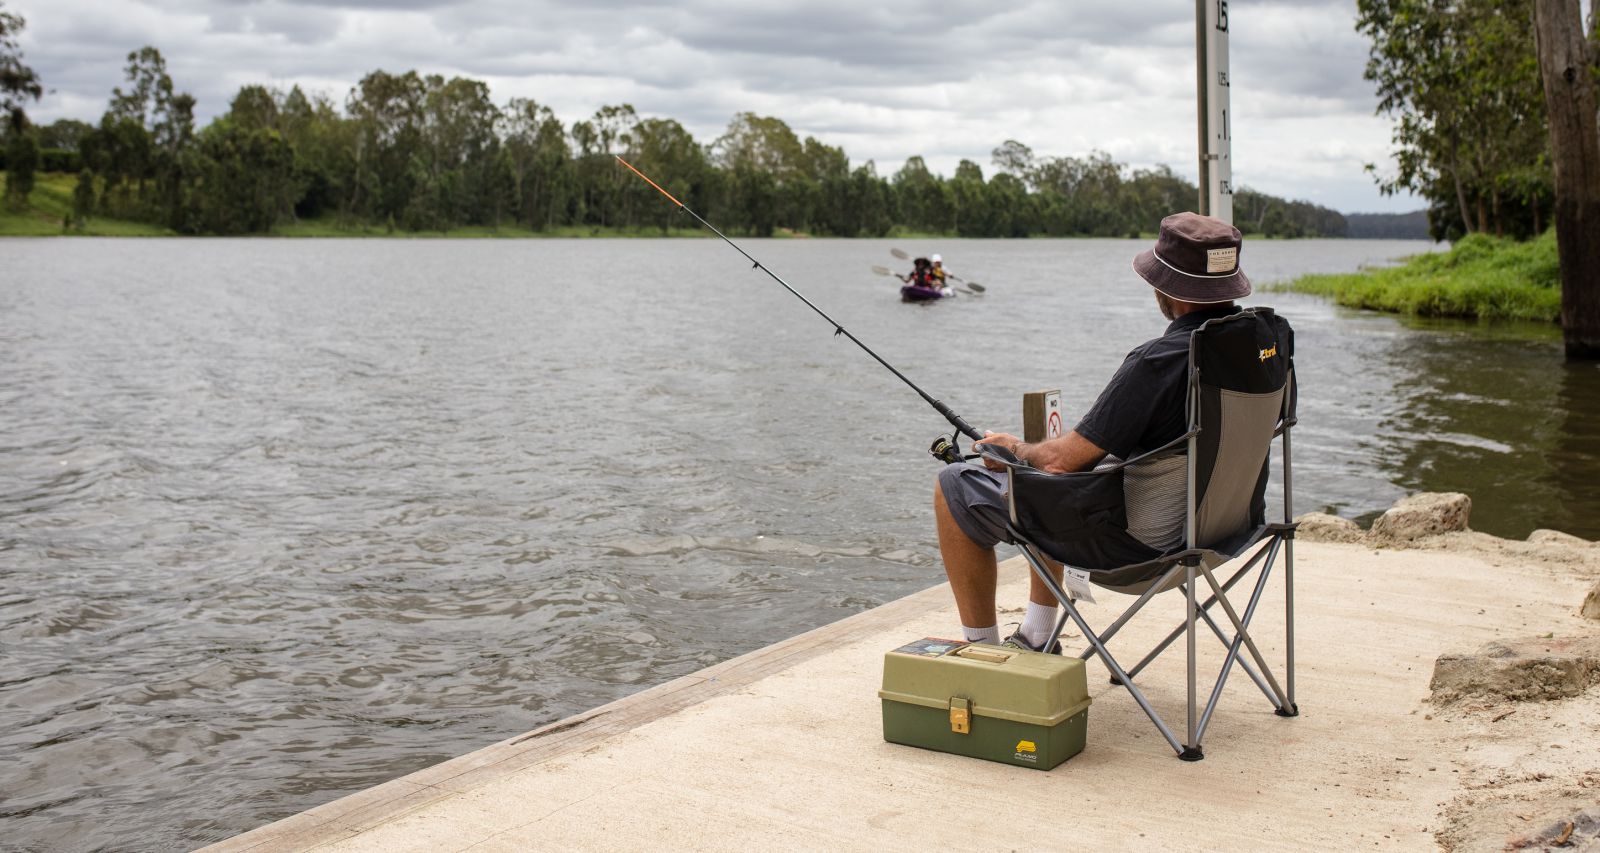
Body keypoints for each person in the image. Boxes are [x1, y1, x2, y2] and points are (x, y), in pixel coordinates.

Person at [932, 212, 1259, 653]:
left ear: (1166, 288)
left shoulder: (1158, 362)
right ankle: (1036, 635)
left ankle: (982, 654)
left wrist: (1013, 449)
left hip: (1145, 551)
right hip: (1226, 532)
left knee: (959, 486)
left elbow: (1061, 460)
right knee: (1055, 481)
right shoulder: (1265, 343)